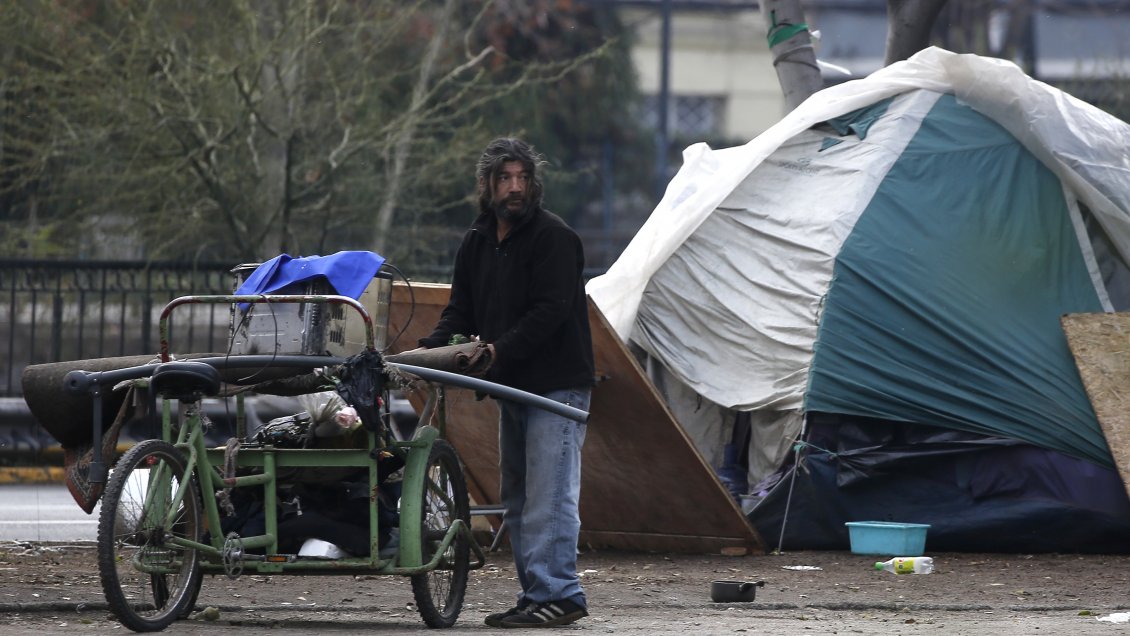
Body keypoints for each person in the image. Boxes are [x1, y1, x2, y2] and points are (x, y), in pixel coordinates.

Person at [417, 137, 595, 628]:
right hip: (512, 387)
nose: (514, 188)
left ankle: (561, 594)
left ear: (534, 185)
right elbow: (461, 310)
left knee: (549, 496)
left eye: (522, 179)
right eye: (504, 178)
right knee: (517, 497)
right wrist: (428, 351)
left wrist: (496, 351)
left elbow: (549, 314)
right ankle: (537, 594)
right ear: (486, 185)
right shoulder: (477, 239)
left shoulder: (553, 237)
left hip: (555, 387)